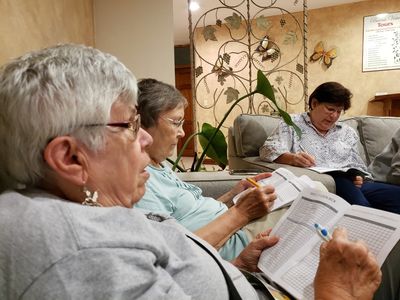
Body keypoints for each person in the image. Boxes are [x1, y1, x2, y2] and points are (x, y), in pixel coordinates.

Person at [0, 44, 386, 299]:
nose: (146, 141)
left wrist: (235, 265)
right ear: (70, 159)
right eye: (130, 127)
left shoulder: (91, 209)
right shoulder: (85, 260)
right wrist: (335, 291)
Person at [135, 78, 288, 260]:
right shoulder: (138, 180)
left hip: (234, 225)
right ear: (141, 124)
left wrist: (233, 196)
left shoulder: (159, 165)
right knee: (312, 197)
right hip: (231, 242)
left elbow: (194, 213)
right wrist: (241, 213)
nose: (182, 132)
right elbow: (173, 256)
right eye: (176, 122)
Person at [259, 82, 400, 214]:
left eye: (339, 111)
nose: (334, 116)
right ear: (314, 103)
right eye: (330, 109)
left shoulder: (347, 132)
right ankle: (368, 224)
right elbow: (267, 150)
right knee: (346, 189)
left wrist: (358, 177)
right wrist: (292, 158)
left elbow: (357, 165)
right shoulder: (291, 123)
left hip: (354, 185)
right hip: (323, 183)